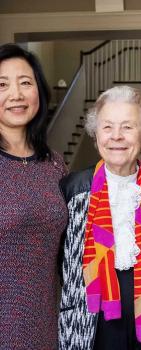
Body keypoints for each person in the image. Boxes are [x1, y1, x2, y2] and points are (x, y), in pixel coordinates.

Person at [58, 85, 141, 350]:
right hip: (92, 314)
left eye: (127, 127)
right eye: (107, 127)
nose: (116, 136)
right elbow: (60, 260)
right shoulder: (72, 189)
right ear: (95, 137)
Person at [0, 44, 68, 348]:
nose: (16, 94)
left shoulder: (54, 163)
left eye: (25, 83)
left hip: (46, 318)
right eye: (2, 85)